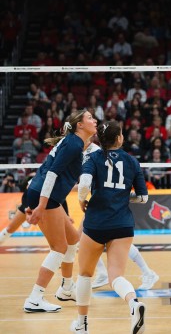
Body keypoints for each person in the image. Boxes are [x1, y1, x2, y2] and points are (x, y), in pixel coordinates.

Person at [71, 121, 148, 334]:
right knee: (116, 277)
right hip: (122, 224)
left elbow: (85, 184)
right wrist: (123, 197)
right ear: (119, 138)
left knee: (85, 274)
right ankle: (133, 303)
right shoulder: (132, 161)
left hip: (96, 223)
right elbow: (143, 198)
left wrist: (80, 200)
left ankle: (82, 324)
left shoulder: (94, 157)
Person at [23, 110, 97, 313]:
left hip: (47, 196)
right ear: (79, 125)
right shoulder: (73, 144)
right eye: (90, 117)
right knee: (59, 248)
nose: (95, 120)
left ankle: (66, 288)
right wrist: (41, 205)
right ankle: (35, 298)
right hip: (45, 197)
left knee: (73, 240)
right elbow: (52, 174)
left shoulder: (76, 143)